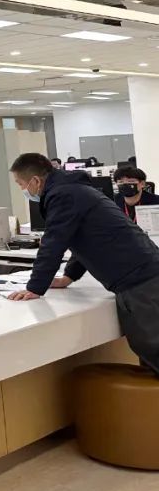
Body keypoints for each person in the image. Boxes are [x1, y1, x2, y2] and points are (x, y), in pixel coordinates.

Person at [8, 153, 159, 374]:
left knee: (153, 349)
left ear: (36, 181)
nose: (22, 189)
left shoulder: (62, 195)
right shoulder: (75, 190)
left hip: (139, 282)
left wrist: (35, 287)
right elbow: (83, 240)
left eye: (20, 184)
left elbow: (53, 242)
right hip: (144, 274)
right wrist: (69, 277)